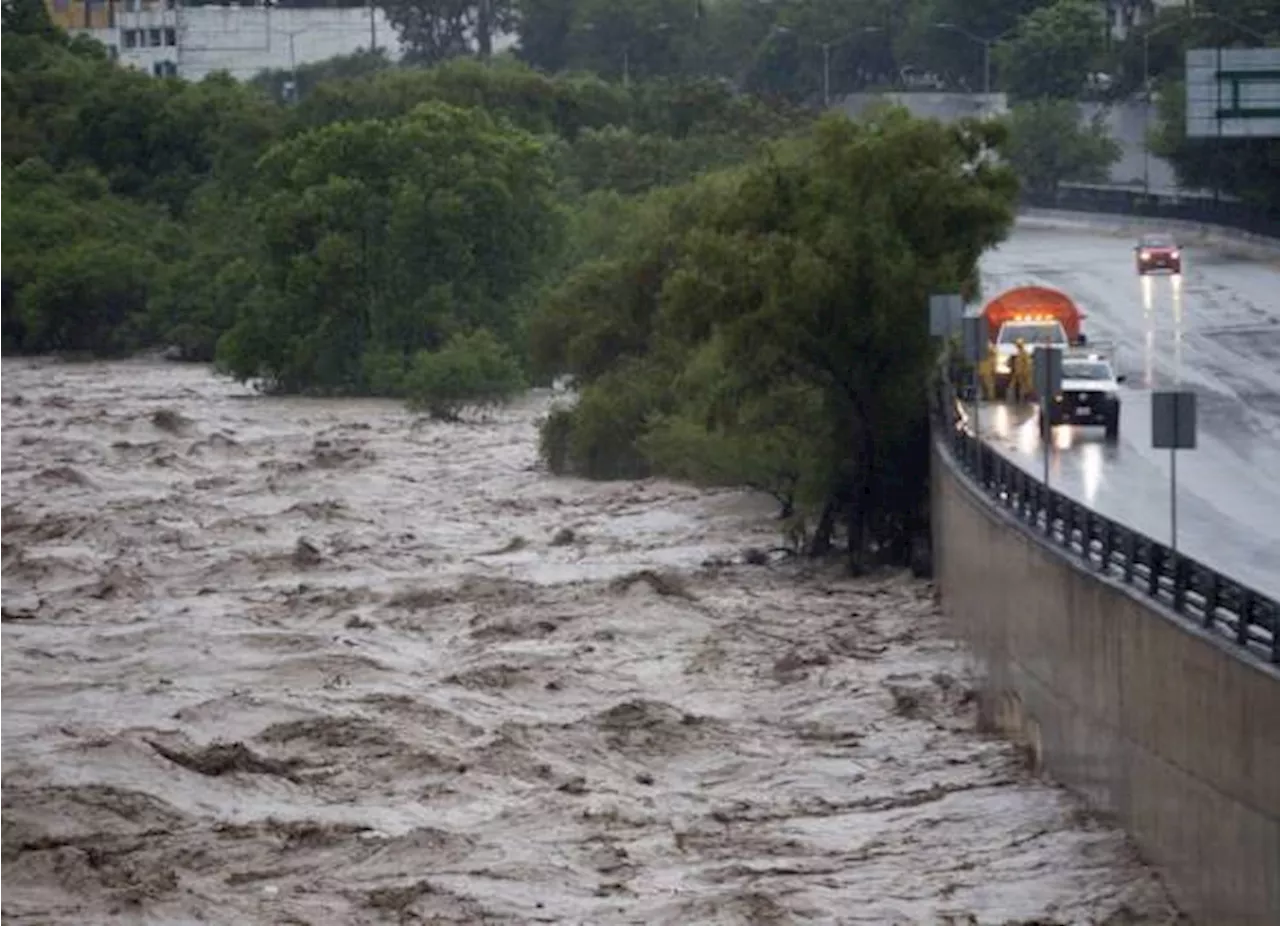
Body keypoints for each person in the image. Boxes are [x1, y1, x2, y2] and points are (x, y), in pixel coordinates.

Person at [1010, 338, 1033, 403]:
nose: (1018, 347)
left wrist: (1025, 371)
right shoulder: (1018, 353)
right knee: (1018, 386)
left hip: (1023, 373)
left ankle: (1026, 398)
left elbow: (1027, 363)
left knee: (1025, 386)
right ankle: (1018, 398)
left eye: (1019, 345)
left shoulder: (1024, 353)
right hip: (1018, 373)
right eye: (1017, 345)